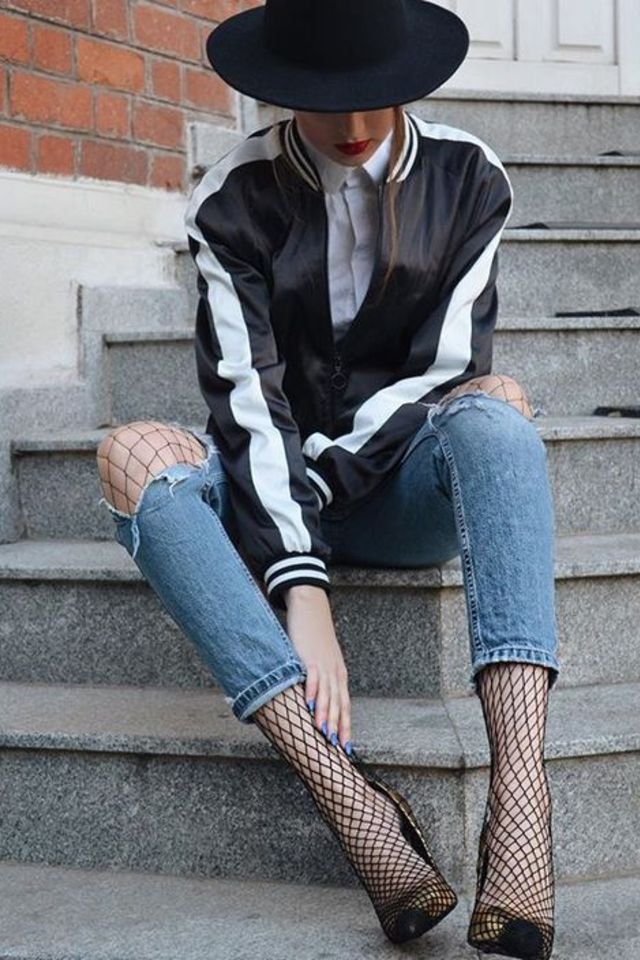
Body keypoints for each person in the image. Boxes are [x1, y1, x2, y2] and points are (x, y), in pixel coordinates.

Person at [95, 0, 560, 956]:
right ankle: (351, 801)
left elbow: (444, 371)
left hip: (397, 491)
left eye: (374, 97)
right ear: (283, 87)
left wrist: (320, 469)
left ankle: (522, 800)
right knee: (129, 455)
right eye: (324, 100)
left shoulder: (471, 178)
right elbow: (245, 399)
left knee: (498, 408)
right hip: (266, 497)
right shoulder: (230, 199)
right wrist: (300, 588)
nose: (352, 125)